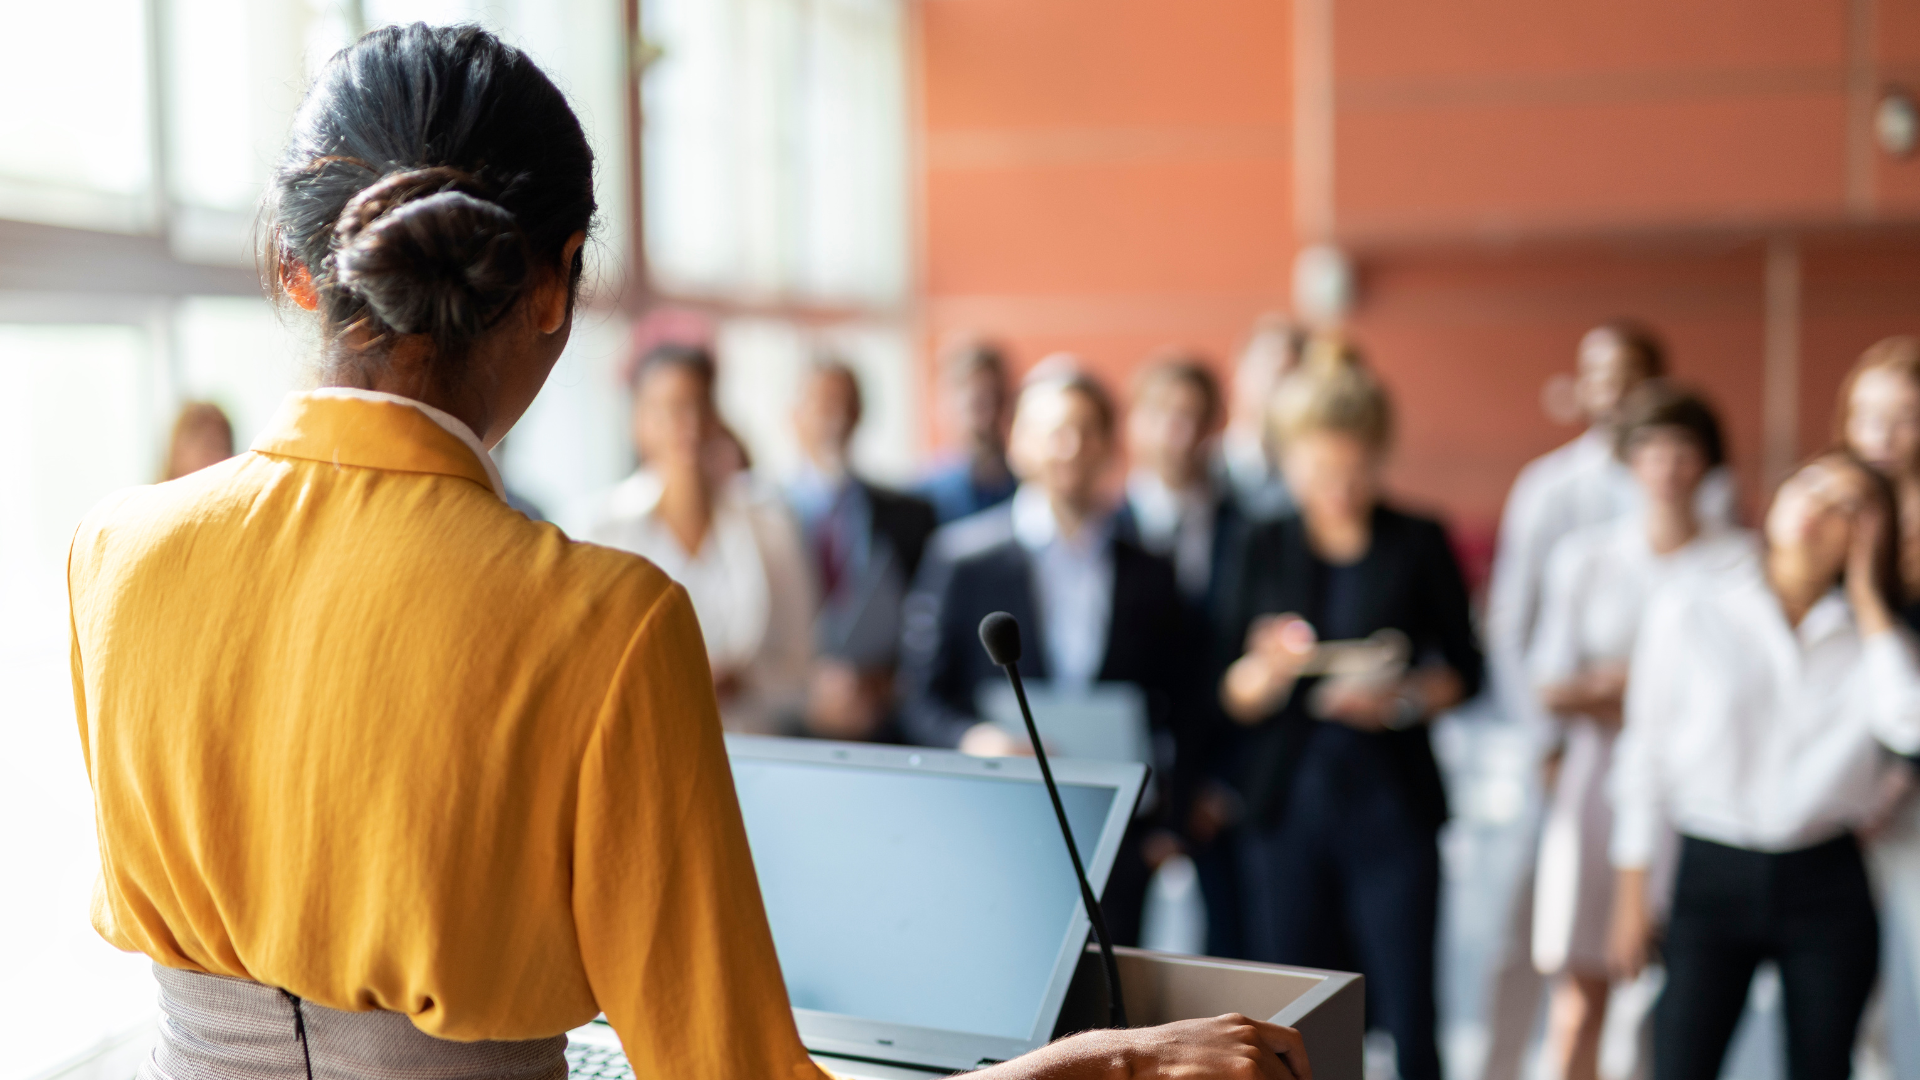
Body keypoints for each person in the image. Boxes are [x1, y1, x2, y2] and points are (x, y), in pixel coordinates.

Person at [65, 24, 1312, 1080]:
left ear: (296, 270)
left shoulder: (111, 556)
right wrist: (1103, 1063)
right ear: (556, 287)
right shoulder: (602, 621)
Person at [1608, 450, 1920, 1080]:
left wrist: (1865, 595)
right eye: (1811, 487)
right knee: (1679, 1062)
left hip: (1826, 878)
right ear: (1778, 500)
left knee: (1822, 1064)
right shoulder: (1692, 603)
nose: (1820, 509)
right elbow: (1644, 751)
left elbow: (1909, 724)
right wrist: (1631, 893)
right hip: (1710, 867)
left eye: (1849, 507)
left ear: (1873, 538)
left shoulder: (1878, 638)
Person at [1218, 338, 1482, 1080]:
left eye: (1355, 468)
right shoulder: (1260, 540)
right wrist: (1267, 670)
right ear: (1289, 460)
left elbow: (1466, 669)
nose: (1338, 485)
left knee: (1410, 1008)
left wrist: (1400, 698)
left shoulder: (1419, 539)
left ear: (1380, 456)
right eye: (1319, 469)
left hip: (1390, 799)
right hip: (1287, 803)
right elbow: (1229, 691)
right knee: (1291, 1015)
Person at [1477, 319, 1733, 1080]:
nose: (1665, 466)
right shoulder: (1553, 496)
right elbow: (1518, 634)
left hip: (1691, 775)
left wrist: (1634, 690)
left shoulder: (1723, 537)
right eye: (1601, 373)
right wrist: (1549, 741)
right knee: (1547, 953)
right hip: (1575, 765)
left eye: (1632, 375)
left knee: (1664, 969)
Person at [899, 362, 1198, 947]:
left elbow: (1183, 700)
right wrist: (973, 739)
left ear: (1110, 445)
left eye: (1088, 430)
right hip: (1004, 822)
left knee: (1117, 1010)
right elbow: (920, 694)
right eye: (1053, 429)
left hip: (1118, 828)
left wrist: (1170, 821)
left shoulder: (1151, 569)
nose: (1070, 447)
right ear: (1017, 442)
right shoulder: (962, 560)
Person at [1526, 383, 1752, 1080]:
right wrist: (1632, 690)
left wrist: (1635, 690)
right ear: (1628, 461)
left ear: (1708, 464)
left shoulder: (1742, 560)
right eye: (1651, 450)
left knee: (1680, 990)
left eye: (1684, 451)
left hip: (1703, 784)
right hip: (1601, 781)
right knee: (1584, 986)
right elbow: (1548, 683)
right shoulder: (1586, 558)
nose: (1667, 467)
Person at [587, 343, 813, 735]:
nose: (688, 426)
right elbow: (585, 669)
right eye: (671, 409)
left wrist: (745, 682)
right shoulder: (599, 530)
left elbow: (801, 665)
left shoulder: (770, 525)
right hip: (641, 747)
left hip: (749, 753)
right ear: (640, 422)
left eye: (700, 407)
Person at [1113, 354, 1249, 958]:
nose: (1182, 434)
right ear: (1136, 423)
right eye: (1166, 416)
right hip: (1132, 785)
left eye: (1197, 418)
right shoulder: (1102, 530)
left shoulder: (1253, 530)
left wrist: (1216, 782)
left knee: (1236, 956)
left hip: (1226, 782)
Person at [1834, 335, 1920, 1075]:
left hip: (1909, 785)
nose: (1882, 437)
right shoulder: (1834, 513)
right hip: (1842, 781)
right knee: (1850, 987)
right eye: (1867, 417)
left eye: (1903, 417)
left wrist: (1904, 769)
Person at [786, 359, 938, 741]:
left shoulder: (910, 515)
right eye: (822, 404)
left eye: (847, 405)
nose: (835, 418)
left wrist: (885, 682)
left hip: (881, 719)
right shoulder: (763, 514)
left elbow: (928, 619)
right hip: (792, 724)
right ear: (794, 415)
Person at [916, 337, 1018, 524]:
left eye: (996, 398)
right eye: (976, 404)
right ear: (943, 404)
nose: (988, 416)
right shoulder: (921, 496)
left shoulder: (1028, 486)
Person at [1214, 314, 1301, 522]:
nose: (1274, 381)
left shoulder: (1310, 481)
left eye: (1289, 373)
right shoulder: (1201, 469)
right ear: (1237, 374)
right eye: (1266, 362)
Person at [161, 401, 234, 480]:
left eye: (225, 448)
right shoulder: (153, 491)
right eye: (209, 446)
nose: (220, 457)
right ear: (179, 451)